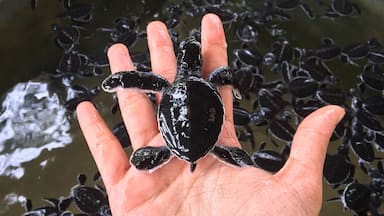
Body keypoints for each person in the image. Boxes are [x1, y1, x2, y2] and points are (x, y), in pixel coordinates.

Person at [76, 13, 345, 215]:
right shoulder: (213, 79)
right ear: (199, 64)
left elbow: (142, 79)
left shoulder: (164, 84)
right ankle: (221, 155)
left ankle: (168, 152)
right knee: (215, 105)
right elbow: (226, 76)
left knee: (144, 86)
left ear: (182, 62)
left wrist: (120, 80)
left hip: (180, 138)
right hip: (209, 139)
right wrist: (235, 88)